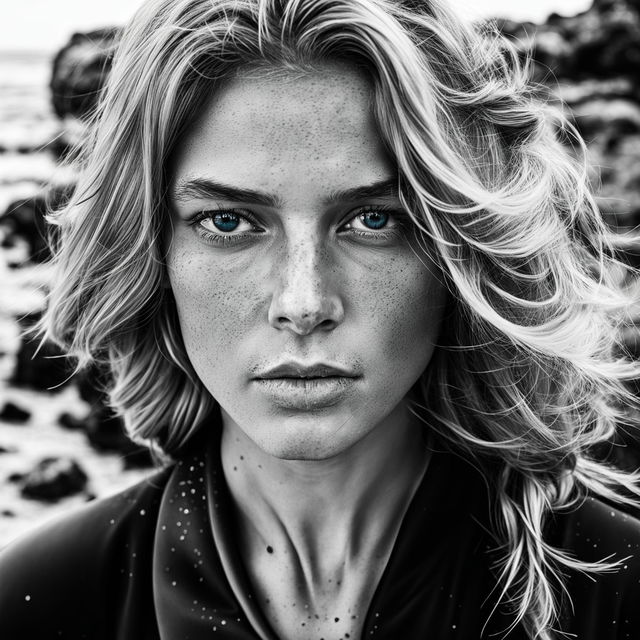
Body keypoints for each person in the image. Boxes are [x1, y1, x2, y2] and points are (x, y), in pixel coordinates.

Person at [1, 0, 640, 638]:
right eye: (228, 221)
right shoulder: (41, 602)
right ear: (150, 252)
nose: (303, 304)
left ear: (459, 248)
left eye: (373, 220)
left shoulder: (616, 592)